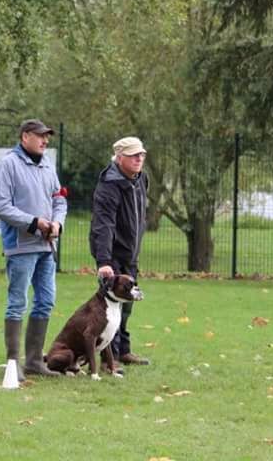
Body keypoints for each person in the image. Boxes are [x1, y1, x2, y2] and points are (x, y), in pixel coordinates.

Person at [0, 118, 67, 379]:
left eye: (47, 136)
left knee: (46, 301)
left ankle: (35, 361)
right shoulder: (8, 164)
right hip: (21, 246)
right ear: (25, 137)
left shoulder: (47, 165)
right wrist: (34, 223)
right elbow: (0, 207)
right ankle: (14, 364)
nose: (45, 140)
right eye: (40, 136)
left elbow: (59, 199)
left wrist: (57, 223)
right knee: (17, 303)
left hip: (47, 246)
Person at [89, 136, 150, 373]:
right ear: (119, 157)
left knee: (128, 303)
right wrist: (104, 261)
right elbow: (103, 225)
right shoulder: (109, 185)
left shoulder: (140, 179)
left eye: (141, 154)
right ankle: (108, 359)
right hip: (112, 254)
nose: (139, 159)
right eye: (134, 155)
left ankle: (123, 350)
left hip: (130, 253)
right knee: (110, 307)